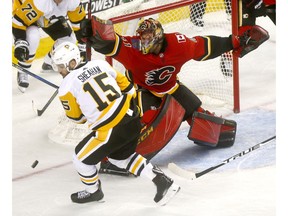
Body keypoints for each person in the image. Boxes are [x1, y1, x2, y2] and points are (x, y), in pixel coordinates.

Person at [80, 16, 269, 175]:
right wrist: (92, 30)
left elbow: (205, 47)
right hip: (138, 90)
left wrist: (234, 41)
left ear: (159, 37)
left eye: (148, 38)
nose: (144, 42)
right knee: (131, 122)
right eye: (142, 37)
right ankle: (109, 153)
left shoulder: (180, 44)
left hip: (170, 88)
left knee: (204, 120)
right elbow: (108, 41)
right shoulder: (134, 46)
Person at [51, 41, 180, 205]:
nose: (59, 71)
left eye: (61, 66)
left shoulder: (66, 86)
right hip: (132, 118)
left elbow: (77, 119)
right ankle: (162, 181)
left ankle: (93, 191)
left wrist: (85, 106)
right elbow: (127, 86)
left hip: (110, 129)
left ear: (72, 62)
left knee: (80, 159)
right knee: (120, 158)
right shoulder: (99, 64)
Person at [12, 0, 86, 93]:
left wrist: (82, 44)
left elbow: (78, 22)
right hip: (25, 12)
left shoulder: (72, 1)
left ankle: (49, 62)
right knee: (33, 36)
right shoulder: (39, 2)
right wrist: (20, 41)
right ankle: (23, 70)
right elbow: (18, 22)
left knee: (69, 39)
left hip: (48, 17)